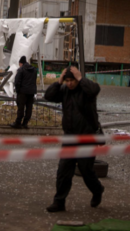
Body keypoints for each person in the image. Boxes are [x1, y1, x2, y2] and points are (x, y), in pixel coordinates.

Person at [43, 66, 104, 212]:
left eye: (72, 80)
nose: (69, 84)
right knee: (63, 171)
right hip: (69, 137)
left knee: (86, 171)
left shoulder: (86, 91)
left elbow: (95, 90)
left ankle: (97, 190)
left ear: (77, 79)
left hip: (86, 137)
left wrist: (81, 78)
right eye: (67, 80)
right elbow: (48, 96)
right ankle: (59, 202)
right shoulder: (64, 90)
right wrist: (58, 82)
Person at [10, 56, 37, 129]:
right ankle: (25, 123)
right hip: (31, 92)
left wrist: (18, 90)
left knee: (21, 107)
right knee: (29, 108)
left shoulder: (21, 70)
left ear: (20, 63)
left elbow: (17, 81)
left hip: (23, 92)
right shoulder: (34, 70)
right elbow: (34, 81)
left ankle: (18, 123)